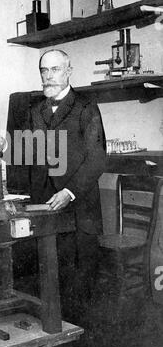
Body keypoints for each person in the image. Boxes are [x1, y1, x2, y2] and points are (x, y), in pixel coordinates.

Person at [29, 49, 107, 326]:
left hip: (80, 211)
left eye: (55, 70)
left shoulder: (86, 108)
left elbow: (97, 159)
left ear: (69, 71)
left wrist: (69, 192)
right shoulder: (36, 111)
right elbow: (36, 160)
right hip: (49, 212)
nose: (48, 77)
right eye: (44, 71)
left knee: (81, 288)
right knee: (53, 283)